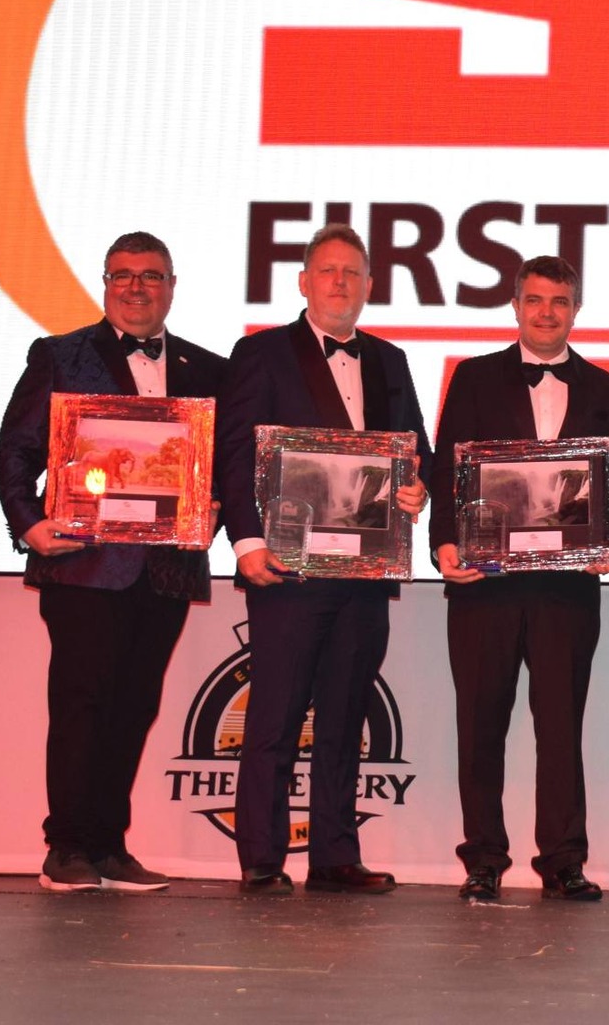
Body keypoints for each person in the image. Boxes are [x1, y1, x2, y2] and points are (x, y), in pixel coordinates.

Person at [0, 231, 228, 893]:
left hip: (165, 570)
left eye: (150, 276)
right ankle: (66, 847)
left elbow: (226, 466)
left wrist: (215, 510)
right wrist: (30, 526)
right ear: (104, 283)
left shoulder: (210, 369)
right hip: (83, 565)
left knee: (133, 707)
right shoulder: (60, 355)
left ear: (172, 287)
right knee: (81, 703)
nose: (135, 288)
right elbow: (15, 451)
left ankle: (108, 846)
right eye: (122, 275)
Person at [216, 224, 430, 896]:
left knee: (345, 717)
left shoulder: (390, 361)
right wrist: (246, 543)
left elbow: (414, 450)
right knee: (275, 717)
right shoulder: (261, 353)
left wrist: (416, 489)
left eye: (352, 273)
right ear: (304, 281)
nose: (340, 282)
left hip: (364, 575)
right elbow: (234, 455)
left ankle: (335, 855)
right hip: (286, 570)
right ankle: (261, 857)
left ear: (369, 286)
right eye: (328, 271)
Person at [428, 255, 609, 902]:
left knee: (561, 730)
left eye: (560, 301)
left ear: (576, 310)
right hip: (483, 584)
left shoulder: (607, 388)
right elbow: (447, 468)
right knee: (480, 726)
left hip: (566, 590)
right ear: (515, 306)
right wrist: (443, 544)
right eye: (536, 300)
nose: (547, 312)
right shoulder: (473, 377)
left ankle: (564, 861)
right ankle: (483, 859)